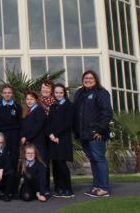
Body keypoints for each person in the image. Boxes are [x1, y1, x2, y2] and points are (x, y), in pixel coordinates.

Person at [73, 70, 113, 198]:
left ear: (96, 79)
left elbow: (107, 113)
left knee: (99, 159)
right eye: (85, 78)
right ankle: (96, 186)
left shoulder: (101, 93)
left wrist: (100, 130)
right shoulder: (79, 93)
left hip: (96, 134)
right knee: (93, 160)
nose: (88, 80)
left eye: (91, 78)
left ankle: (104, 188)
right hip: (84, 134)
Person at [48, 84, 75, 198]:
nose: (58, 94)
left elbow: (68, 123)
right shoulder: (53, 106)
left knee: (61, 163)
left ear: (64, 93)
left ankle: (68, 189)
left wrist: (56, 134)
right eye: (56, 92)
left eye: (61, 92)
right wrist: (50, 134)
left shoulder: (69, 105)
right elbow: (49, 122)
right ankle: (58, 188)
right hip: (53, 139)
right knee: (55, 163)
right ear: (53, 94)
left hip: (63, 138)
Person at [0, 85, 22, 168]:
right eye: (5, 93)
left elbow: (20, 122)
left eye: (9, 93)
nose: (7, 94)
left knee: (14, 156)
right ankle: (3, 177)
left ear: (12, 94)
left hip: (14, 134)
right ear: (2, 94)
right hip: (2, 134)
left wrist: (19, 135)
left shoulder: (17, 106)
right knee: (2, 155)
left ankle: (13, 178)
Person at [20, 91, 47, 172]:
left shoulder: (39, 110)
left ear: (36, 100)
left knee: (40, 164)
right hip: (29, 143)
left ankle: (43, 185)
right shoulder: (27, 111)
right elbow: (23, 126)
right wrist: (22, 136)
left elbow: (37, 127)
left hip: (38, 143)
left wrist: (27, 137)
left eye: (31, 99)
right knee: (30, 166)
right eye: (27, 99)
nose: (29, 101)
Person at [39, 80, 56, 192]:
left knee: (54, 161)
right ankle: (43, 186)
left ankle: (56, 186)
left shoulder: (55, 102)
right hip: (40, 136)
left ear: (51, 90)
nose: (45, 90)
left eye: (47, 88)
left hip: (52, 135)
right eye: (43, 88)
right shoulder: (37, 101)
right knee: (42, 161)